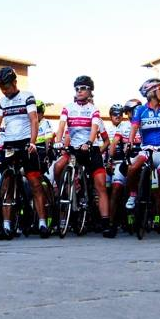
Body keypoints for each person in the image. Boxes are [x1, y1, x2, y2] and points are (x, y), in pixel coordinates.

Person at [0, 66, 50, 237]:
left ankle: (43, 223)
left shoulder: (27, 96)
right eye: (1, 87)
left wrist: (32, 142)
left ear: (15, 83)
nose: (5, 90)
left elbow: (33, 120)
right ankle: (7, 225)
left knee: (35, 183)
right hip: (9, 143)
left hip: (25, 143)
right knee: (7, 184)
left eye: (6, 87)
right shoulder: (2, 101)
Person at [52, 76, 110, 236]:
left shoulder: (94, 109)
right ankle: (61, 191)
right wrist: (58, 141)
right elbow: (62, 126)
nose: (79, 91)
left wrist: (90, 143)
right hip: (74, 149)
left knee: (100, 185)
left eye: (83, 88)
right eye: (77, 88)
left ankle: (105, 222)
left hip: (90, 149)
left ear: (90, 91)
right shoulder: (68, 108)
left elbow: (94, 129)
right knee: (58, 166)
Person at [125, 78, 160, 238]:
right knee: (133, 168)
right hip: (147, 149)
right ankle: (133, 194)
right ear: (151, 92)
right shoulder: (140, 110)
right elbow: (134, 127)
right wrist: (129, 143)